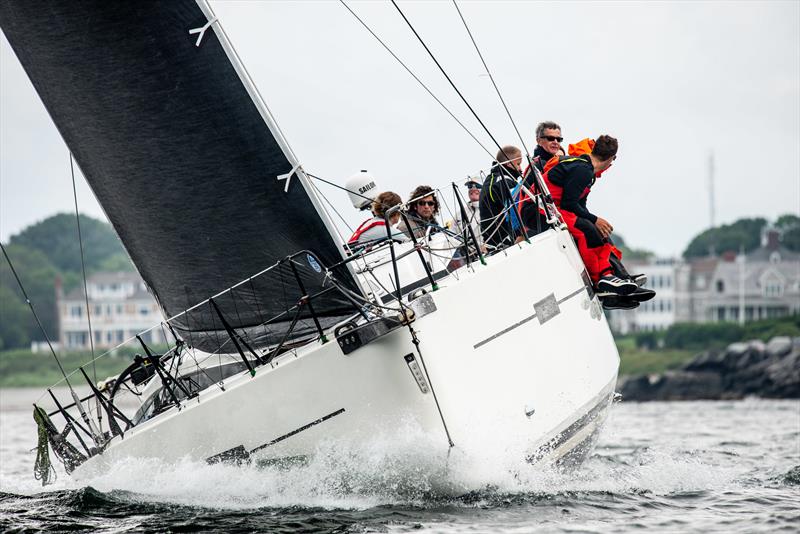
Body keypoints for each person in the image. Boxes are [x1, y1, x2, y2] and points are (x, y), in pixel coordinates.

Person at [541, 135, 642, 297]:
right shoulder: (583, 170)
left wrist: (595, 221)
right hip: (540, 210)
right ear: (611, 158)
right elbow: (569, 203)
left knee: (601, 233)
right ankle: (600, 279)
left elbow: (579, 205)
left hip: (555, 207)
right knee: (586, 229)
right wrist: (595, 220)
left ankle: (618, 276)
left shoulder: (587, 170)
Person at [479, 145, 524, 249]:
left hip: (492, 241)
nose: (520, 168)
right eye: (518, 164)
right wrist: (520, 233)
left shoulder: (492, 179)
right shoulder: (503, 181)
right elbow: (514, 209)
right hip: (502, 243)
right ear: (509, 163)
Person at [449, 175, 483, 248]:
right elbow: (451, 235)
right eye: (470, 186)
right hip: (466, 255)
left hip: (490, 253)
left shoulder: (491, 209)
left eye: (477, 185)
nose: (473, 188)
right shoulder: (460, 213)